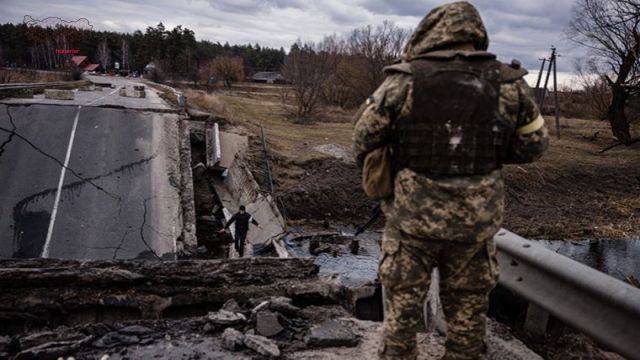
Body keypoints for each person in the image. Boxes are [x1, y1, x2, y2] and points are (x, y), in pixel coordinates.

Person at [352, 2, 549, 359]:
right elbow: (534, 146)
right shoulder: (509, 84)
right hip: (474, 226)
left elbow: (363, 139)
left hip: (412, 224)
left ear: (428, 33)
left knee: (400, 321)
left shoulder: (403, 80)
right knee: (468, 324)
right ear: (477, 34)